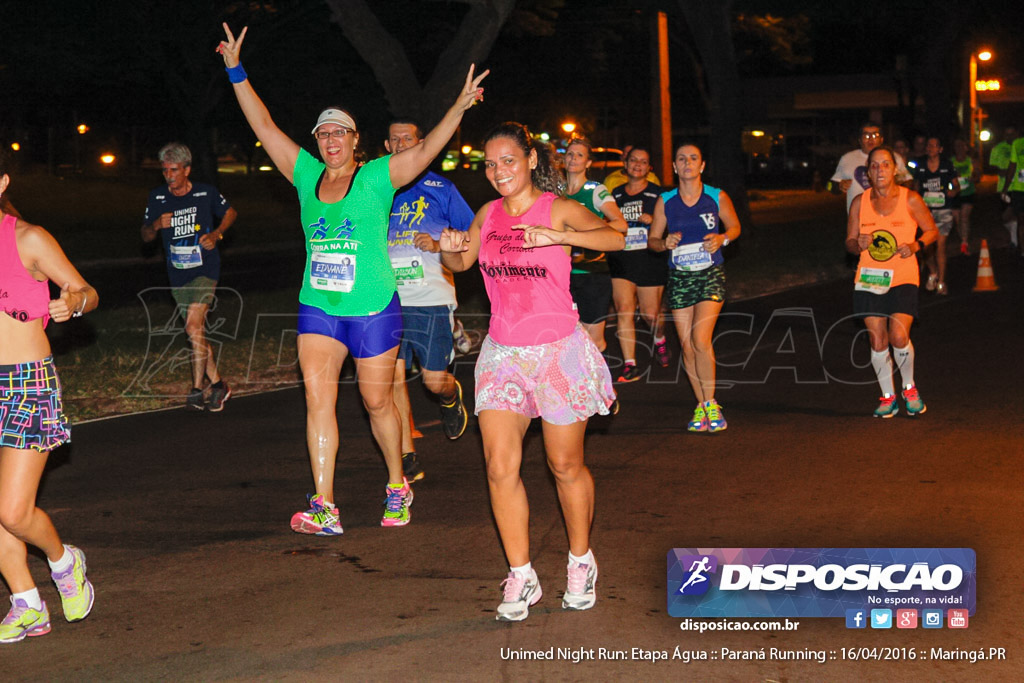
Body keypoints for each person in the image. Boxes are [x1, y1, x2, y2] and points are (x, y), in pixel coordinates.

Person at [217, 24, 487, 532]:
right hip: (319, 306)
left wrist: (459, 106)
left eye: (340, 131)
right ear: (317, 143)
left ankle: (396, 485)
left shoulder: (377, 176)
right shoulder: (302, 174)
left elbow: (426, 152)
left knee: (375, 400)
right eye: (323, 132)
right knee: (318, 401)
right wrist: (236, 70)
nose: (331, 139)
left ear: (355, 140)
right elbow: (265, 125)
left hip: (371, 308)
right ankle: (325, 505)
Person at [440, 122, 623, 621]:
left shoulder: (556, 207)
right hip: (503, 354)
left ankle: (581, 560)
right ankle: (521, 575)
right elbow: (461, 263)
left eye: (509, 161)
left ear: (530, 160)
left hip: (559, 353)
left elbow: (617, 236)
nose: (499, 171)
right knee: (500, 467)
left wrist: (558, 235)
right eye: (491, 164)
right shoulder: (488, 214)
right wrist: (451, 245)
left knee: (564, 465)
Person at [0, 151, 97, 644]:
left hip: (25, 383)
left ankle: (64, 562)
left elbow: (86, 290)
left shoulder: (27, 239)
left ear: (1, 182)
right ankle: (26, 602)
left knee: (13, 511)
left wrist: (74, 301)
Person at [384, 118, 474, 482]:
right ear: (387, 146)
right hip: (386, 298)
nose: (401, 144)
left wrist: (439, 245)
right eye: (394, 139)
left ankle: (451, 396)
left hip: (431, 297)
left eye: (408, 138)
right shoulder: (377, 189)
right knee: (392, 379)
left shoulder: (442, 188)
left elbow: (471, 237)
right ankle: (407, 455)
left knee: (432, 382)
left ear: (422, 143)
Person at [648, 143, 741, 433]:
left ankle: (712, 403)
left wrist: (722, 238)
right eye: (681, 159)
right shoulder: (666, 200)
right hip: (680, 276)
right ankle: (702, 406)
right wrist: (664, 243)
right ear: (675, 167)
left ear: (702, 166)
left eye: (693, 158)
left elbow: (735, 227)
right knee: (687, 345)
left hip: (710, 273)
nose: (687, 163)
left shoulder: (716, 196)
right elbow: (652, 239)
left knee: (701, 339)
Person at [142, 143, 238, 411]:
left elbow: (231, 212)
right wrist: (155, 225)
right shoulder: (158, 197)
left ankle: (197, 389)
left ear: (186, 169)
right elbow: (145, 235)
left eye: (174, 170)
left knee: (193, 328)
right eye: (164, 170)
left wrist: (217, 234)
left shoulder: (205, 193)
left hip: (205, 270)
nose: (168, 175)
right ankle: (219, 384)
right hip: (177, 274)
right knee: (196, 333)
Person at [846, 146, 937, 417]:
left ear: (894, 169)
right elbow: (849, 243)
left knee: (898, 336)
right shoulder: (859, 203)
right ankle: (888, 396)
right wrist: (857, 243)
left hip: (903, 275)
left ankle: (909, 388)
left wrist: (916, 245)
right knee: (877, 341)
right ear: (868, 173)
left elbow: (932, 230)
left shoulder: (910, 200)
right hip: (870, 277)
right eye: (874, 166)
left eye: (885, 165)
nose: (879, 170)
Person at [608, 146, 669, 380]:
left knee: (650, 315)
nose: (637, 165)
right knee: (624, 309)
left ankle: (660, 339)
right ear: (626, 164)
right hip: (622, 258)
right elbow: (606, 221)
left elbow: (670, 225)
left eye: (643, 162)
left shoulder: (658, 194)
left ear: (649, 168)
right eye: (634, 160)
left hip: (649, 259)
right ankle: (630, 364)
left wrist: (654, 220)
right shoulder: (615, 194)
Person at [563, 138, 628, 355]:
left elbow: (620, 223)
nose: (573, 158)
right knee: (568, 339)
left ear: (588, 163)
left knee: (594, 342)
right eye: (570, 153)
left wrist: (587, 232)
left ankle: (602, 388)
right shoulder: (556, 192)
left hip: (593, 274)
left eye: (579, 155)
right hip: (562, 276)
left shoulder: (595, 190)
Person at [911, 136, 959, 295]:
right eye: (928, 145)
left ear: (940, 149)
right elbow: (916, 187)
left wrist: (953, 191)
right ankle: (933, 272)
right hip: (925, 213)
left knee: (941, 246)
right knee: (927, 248)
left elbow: (956, 185)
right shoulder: (921, 166)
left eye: (934, 145)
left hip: (943, 210)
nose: (931, 148)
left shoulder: (947, 165)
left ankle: (942, 282)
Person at [830, 123, 911, 214]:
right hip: (858, 216)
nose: (871, 139)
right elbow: (831, 186)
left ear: (881, 139)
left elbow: (907, 181)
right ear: (860, 140)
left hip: (889, 215)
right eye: (866, 136)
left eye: (875, 135)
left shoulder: (893, 157)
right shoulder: (848, 158)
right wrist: (839, 186)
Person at [987, 125, 1018, 249]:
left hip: (1019, 186)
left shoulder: (1020, 146)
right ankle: (1013, 236)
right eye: (1007, 134)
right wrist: (1000, 170)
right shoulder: (998, 148)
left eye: (1012, 134)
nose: (1009, 137)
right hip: (1003, 187)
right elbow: (991, 166)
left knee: (1016, 213)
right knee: (1005, 216)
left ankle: (1015, 241)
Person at [949, 138, 979, 255]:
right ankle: (963, 240)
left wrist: (973, 177)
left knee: (964, 217)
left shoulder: (971, 161)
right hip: (956, 193)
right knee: (957, 219)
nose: (959, 149)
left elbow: (978, 175)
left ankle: (964, 242)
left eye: (962, 146)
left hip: (968, 192)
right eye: (957, 146)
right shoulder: (950, 162)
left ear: (966, 148)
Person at [1002, 129, 1024, 258]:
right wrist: (1006, 187)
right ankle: (1022, 250)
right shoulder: (1017, 144)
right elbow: (1012, 166)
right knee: (1021, 220)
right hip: (1019, 188)